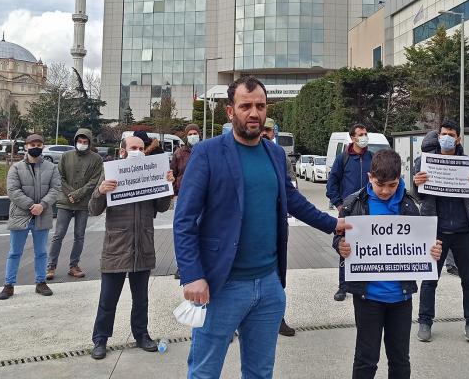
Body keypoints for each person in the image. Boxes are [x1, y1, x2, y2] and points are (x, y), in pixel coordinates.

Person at [174, 75, 350, 378]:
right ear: (230, 112)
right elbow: (184, 220)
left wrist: (334, 223)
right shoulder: (207, 153)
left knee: (260, 372)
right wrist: (192, 275)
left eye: (260, 105)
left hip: (269, 285)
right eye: (245, 106)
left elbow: (293, 201)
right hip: (221, 285)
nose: (253, 113)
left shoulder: (275, 153)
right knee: (204, 371)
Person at [337, 149, 443, 379]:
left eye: (392, 185)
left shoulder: (409, 205)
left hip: (400, 298)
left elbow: (421, 244)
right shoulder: (354, 203)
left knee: (399, 359)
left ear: (400, 180)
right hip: (367, 297)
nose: (385, 191)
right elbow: (339, 236)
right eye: (379, 184)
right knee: (366, 359)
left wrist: (433, 251)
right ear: (369, 178)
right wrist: (341, 246)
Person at [89, 135, 174, 359]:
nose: (137, 150)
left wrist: (167, 184)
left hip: (142, 245)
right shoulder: (110, 172)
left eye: (140, 147)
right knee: (108, 299)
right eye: (132, 147)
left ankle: (141, 334)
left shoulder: (150, 171)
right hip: (116, 246)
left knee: (141, 298)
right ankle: (100, 339)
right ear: (122, 150)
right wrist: (100, 192)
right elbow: (93, 209)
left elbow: (163, 207)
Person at [413, 120, 469, 344]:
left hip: (463, 231)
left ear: (458, 138)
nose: (446, 137)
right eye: (443, 134)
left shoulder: (468, 164)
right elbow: (418, 195)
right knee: (430, 279)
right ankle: (425, 321)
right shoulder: (424, 163)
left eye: (451, 134)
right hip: (436, 231)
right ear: (438, 135)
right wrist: (417, 183)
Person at [0, 134, 61, 300]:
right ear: (26, 146)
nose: (35, 147)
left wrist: (43, 205)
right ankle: (8, 285)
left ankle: (40, 282)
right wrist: (31, 205)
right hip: (20, 215)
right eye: (32, 144)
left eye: (39, 144)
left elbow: (55, 189)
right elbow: (12, 190)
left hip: (42, 215)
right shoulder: (16, 168)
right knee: (14, 252)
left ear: (43, 146)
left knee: (41, 252)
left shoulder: (52, 167)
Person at [326, 123, 374, 302]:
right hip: (348, 212)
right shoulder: (343, 159)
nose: (364, 136)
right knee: (345, 247)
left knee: (369, 247)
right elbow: (331, 185)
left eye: (366, 133)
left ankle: (366, 282)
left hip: (370, 211)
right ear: (353, 138)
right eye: (361, 134)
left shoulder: (372, 157)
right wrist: (339, 205)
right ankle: (343, 286)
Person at [47, 128, 102, 280]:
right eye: (80, 141)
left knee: (79, 235)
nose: (82, 144)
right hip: (65, 202)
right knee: (59, 234)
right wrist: (70, 193)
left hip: (83, 203)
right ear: (75, 141)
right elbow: (59, 176)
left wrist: (77, 194)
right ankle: (51, 265)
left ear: (89, 143)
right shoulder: (66, 156)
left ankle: (74, 265)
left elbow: (94, 181)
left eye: (85, 142)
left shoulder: (96, 159)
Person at [262, 117, 297, 337]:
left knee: (276, 277)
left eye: (269, 130)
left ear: (274, 132)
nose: (265, 133)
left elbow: (291, 184)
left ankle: (278, 318)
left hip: (275, 226)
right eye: (263, 130)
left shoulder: (279, 155)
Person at [170, 124, 202, 282]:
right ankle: (181, 266)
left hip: (202, 198)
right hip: (182, 197)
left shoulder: (205, 151)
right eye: (190, 133)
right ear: (186, 136)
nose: (193, 135)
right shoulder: (179, 153)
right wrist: (174, 193)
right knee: (182, 231)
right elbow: (172, 174)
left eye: (195, 133)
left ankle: (200, 262)